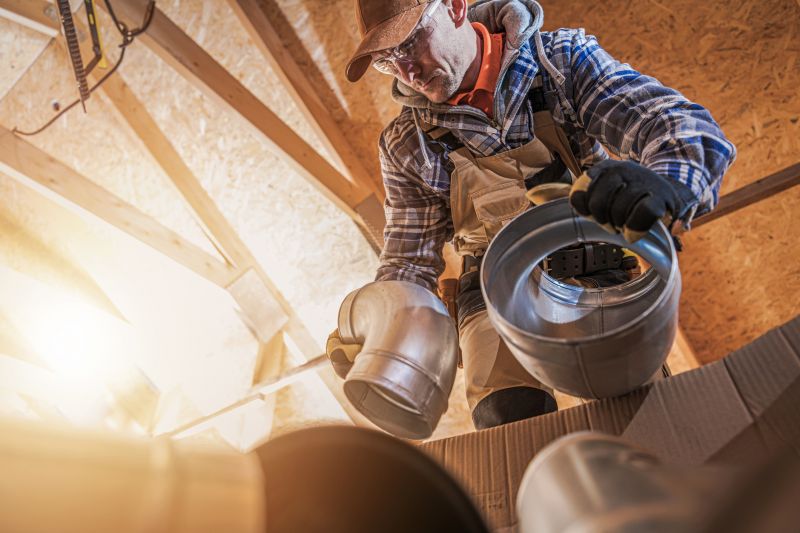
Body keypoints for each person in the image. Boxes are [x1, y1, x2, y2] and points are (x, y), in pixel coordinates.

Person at [333, 0, 736, 430]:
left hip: (594, 272)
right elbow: (409, 263)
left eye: (411, 42)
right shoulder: (405, 145)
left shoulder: (558, 63)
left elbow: (673, 123)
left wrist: (669, 183)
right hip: (490, 296)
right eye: (387, 61)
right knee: (507, 424)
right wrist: (380, 321)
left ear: (453, 7)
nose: (407, 71)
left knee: (643, 418)